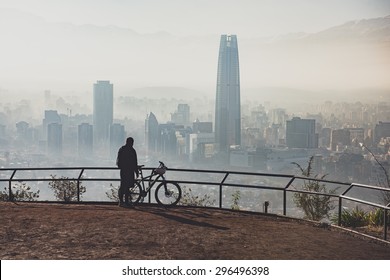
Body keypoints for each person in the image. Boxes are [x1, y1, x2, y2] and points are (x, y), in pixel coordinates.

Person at [116, 137, 139, 207]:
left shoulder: (122, 149)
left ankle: (121, 202)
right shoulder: (132, 150)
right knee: (127, 186)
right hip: (130, 171)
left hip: (123, 171)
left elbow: (118, 161)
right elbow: (135, 162)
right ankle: (126, 202)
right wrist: (136, 171)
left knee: (123, 185)